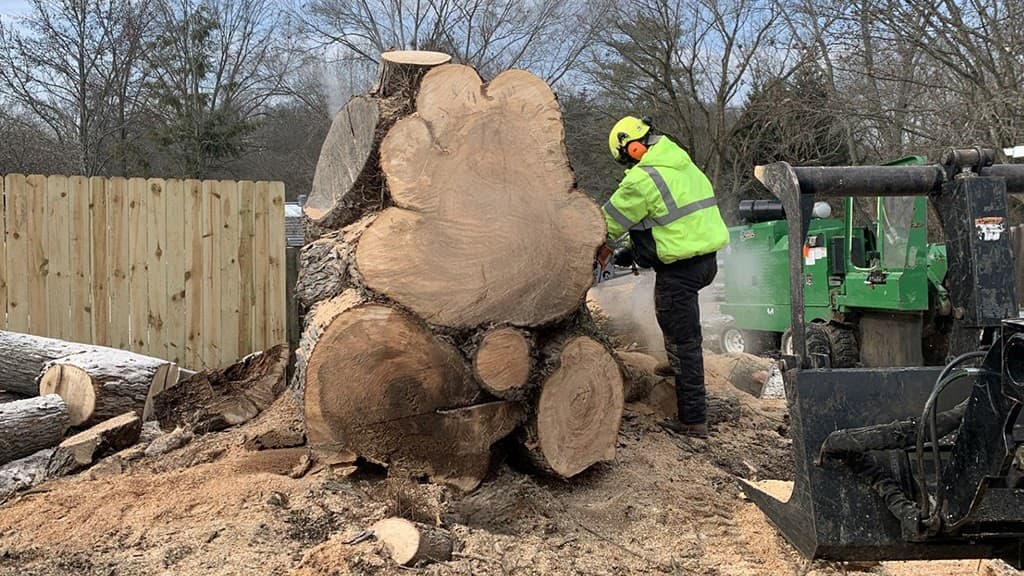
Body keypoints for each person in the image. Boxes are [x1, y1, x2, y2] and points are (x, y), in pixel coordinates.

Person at [601, 116, 729, 439]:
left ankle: (693, 421)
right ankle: (676, 365)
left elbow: (604, 226)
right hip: (705, 262)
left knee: (685, 340)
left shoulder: (642, 179)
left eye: (625, 160)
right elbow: (668, 221)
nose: (626, 168)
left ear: (632, 147)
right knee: (670, 319)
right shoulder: (682, 165)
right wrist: (632, 250)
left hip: (680, 270)